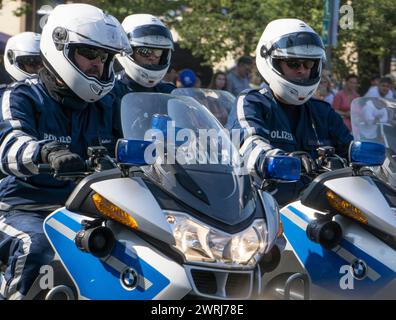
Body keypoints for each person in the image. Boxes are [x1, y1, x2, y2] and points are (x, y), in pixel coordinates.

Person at [0, 3, 130, 299]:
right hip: (19, 208)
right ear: (60, 47)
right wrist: (46, 152)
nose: (99, 64)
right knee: (37, 246)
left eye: (106, 57)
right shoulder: (21, 95)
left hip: (83, 210)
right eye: (91, 54)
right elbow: (6, 142)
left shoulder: (107, 104)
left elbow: (134, 143)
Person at [230, 18, 353, 205]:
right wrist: (274, 159)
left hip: (319, 209)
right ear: (272, 61)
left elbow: (351, 149)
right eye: (294, 63)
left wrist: (379, 158)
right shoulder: (253, 102)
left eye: (309, 64)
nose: (302, 70)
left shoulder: (323, 112)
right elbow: (247, 143)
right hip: (268, 209)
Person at [115, 14, 175, 96]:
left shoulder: (168, 91)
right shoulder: (112, 89)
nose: (152, 57)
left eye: (158, 52)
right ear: (127, 51)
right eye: (145, 51)